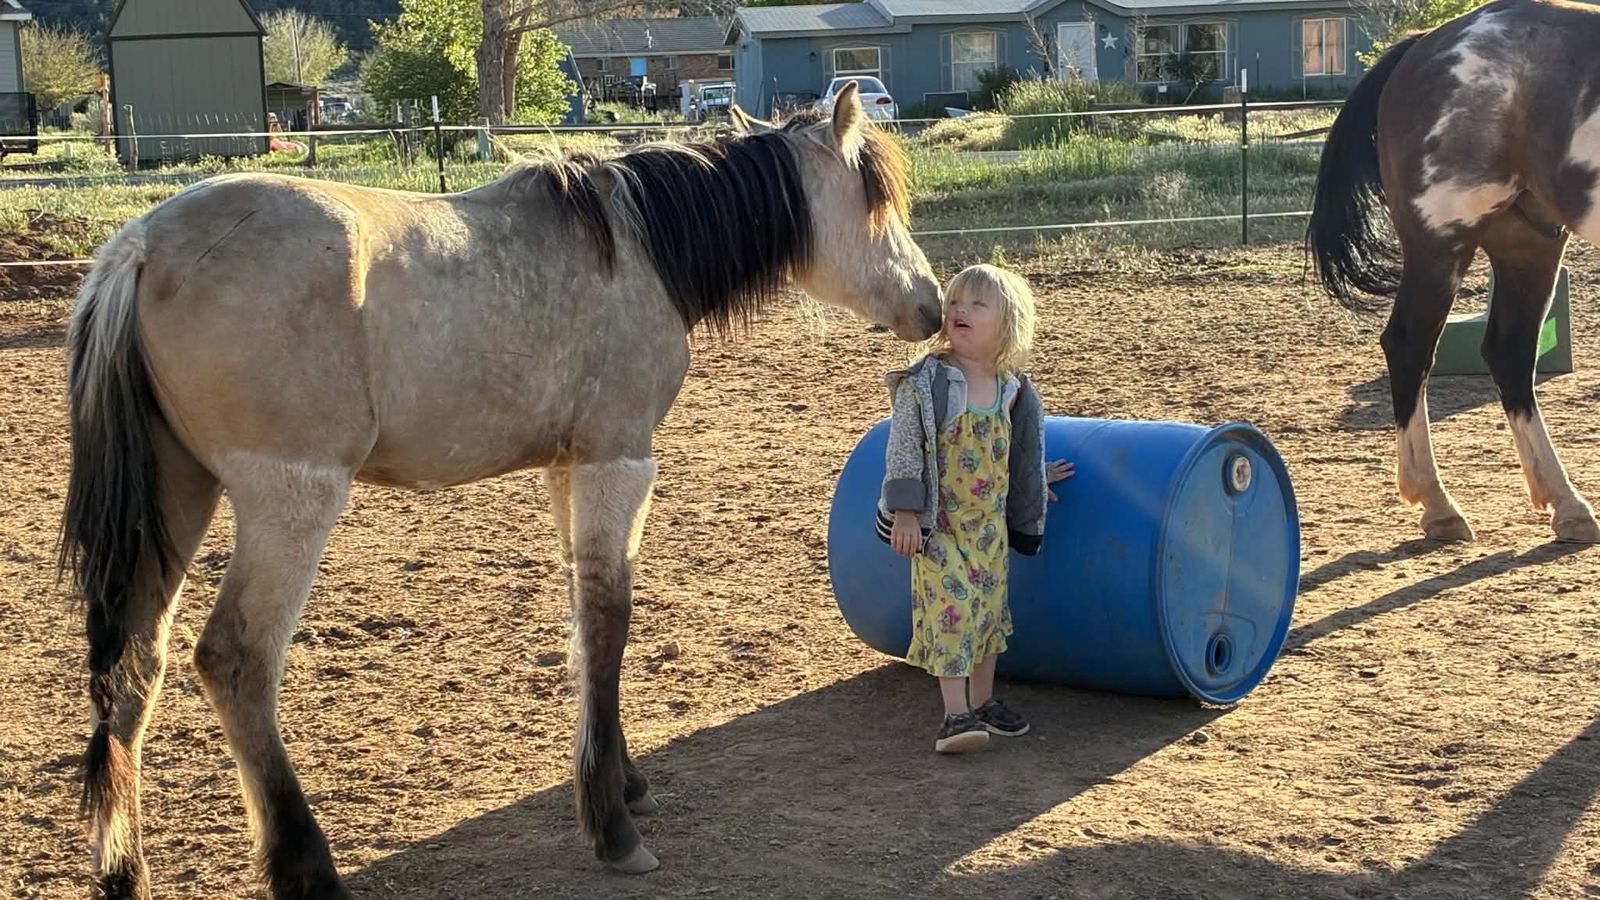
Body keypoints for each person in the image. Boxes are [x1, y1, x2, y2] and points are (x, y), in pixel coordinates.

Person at [876, 264, 1073, 753]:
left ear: (1007, 323)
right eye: (954, 301)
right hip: (939, 527)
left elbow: (1017, 449)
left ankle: (983, 703)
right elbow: (904, 447)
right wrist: (904, 511)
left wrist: (1033, 479)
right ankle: (955, 716)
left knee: (987, 616)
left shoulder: (1012, 387)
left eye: (975, 303)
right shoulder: (928, 382)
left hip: (988, 530)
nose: (958, 310)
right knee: (952, 612)